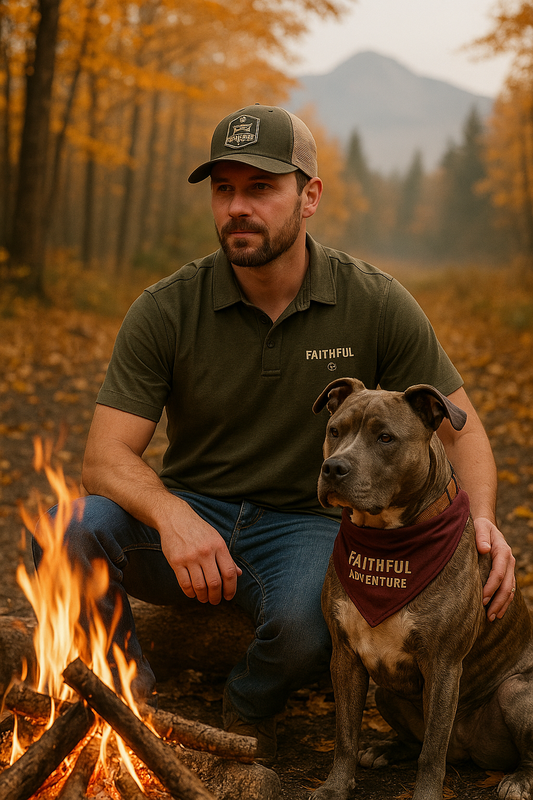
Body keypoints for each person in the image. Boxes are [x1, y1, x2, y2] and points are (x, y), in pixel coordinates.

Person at [35, 104, 515, 761]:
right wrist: (172, 516)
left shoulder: (373, 301)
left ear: (308, 196)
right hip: (188, 514)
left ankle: (245, 709)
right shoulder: (166, 307)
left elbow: (462, 432)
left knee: (307, 628)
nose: (237, 207)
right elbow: (104, 457)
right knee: (66, 530)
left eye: (260, 187)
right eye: (223, 189)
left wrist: (483, 520)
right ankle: (129, 703)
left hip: (305, 522)